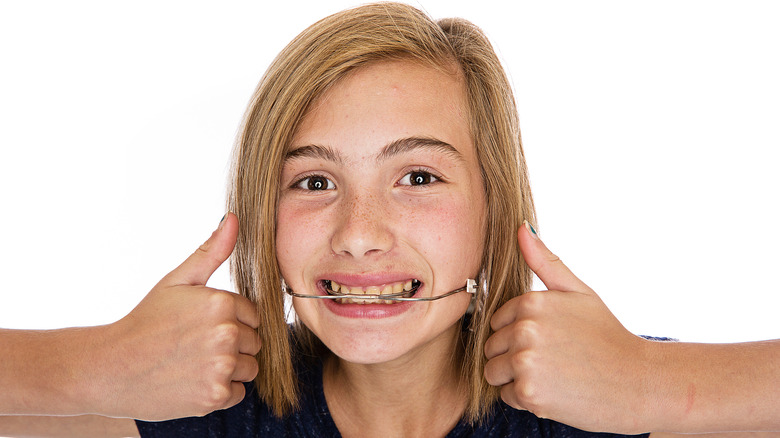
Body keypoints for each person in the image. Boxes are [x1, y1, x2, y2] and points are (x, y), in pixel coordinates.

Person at [1, 3, 778, 437]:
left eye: (417, 176)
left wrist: (659, 386)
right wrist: (92, 365)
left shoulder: (612, 395)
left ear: (493, 205)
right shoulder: (197, 412)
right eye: (312, 180)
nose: (361, 232)